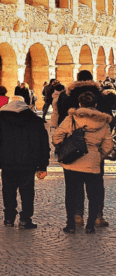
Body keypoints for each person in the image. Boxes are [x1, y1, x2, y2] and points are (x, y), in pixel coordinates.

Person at [52, 90, 113, 234]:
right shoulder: (103, 122)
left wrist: (64, 148)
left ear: (80, 104)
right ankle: (91, 225)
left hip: (72, 162)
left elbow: (56, 137)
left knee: (71, 194)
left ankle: (71, 224)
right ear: (96, 104)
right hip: (93, 163)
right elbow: (108, 146)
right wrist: (98, 156)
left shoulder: (71, 118)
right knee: (94, 195)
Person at [0, 98, 50, 229]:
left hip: (7, 160)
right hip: (29, 161)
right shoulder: (35, 121)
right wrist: (42, 165)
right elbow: (43, 144)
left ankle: (9, 218)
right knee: (27, 191)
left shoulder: (0, 119)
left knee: (8, 189)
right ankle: (25, 219)